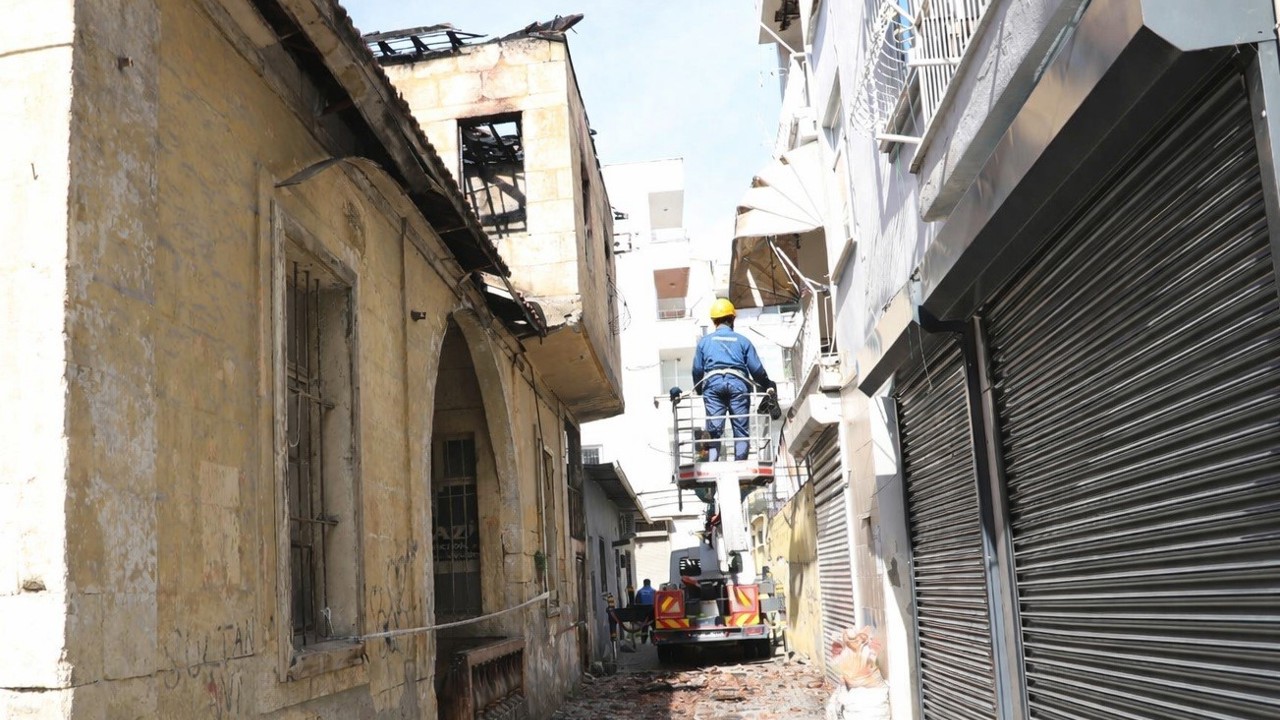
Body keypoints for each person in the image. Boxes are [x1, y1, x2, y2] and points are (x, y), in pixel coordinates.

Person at [692, 298, 776, 461]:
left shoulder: (705, 342)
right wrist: (767, 385)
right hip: (738, 386)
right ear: (732, 319)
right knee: (740, 430)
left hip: (713, 385)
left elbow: (697, 370)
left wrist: (700, 390)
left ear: (714, 321)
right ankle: (741, 463)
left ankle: (712, 463)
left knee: (714, 430)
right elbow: (757, 370)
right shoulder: (743, 341)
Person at [633, 579, 656, 644]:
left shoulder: (639, 592)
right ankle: (654, 640)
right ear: (650, 583)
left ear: (644, 583)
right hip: (652, 613)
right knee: (654, 626)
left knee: (644, 628)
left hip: (643, 613)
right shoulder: (654, 591)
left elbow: (637, 603)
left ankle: (643, 641)